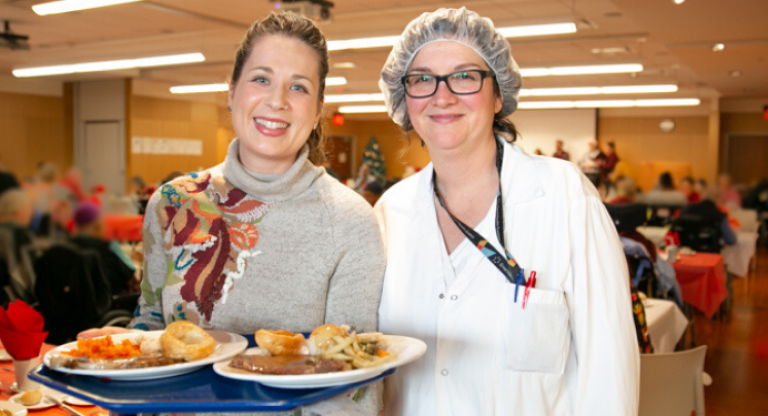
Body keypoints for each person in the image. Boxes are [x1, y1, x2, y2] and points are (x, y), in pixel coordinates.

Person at [80, 12, 385, 415]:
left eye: (298, 86)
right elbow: (153, 323)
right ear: (231, 91)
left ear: (317, 110)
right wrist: (119, 352)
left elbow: (355, 384)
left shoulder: (350, 220)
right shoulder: (173, 203)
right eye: (261, 79)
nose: (276, 100)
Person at [376, 8, 638, 415]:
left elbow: (608, 367)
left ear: (498, 95)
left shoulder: (563, 196)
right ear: (404, 97)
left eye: (464, 76)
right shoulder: (390, 212)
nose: (441, 96)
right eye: (422, 79)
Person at [69, 201, 137, 296]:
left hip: (74, 305)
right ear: (98, 224)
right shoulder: (107, 245)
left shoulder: (65, 248)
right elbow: (130, 273)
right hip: (109, 303)